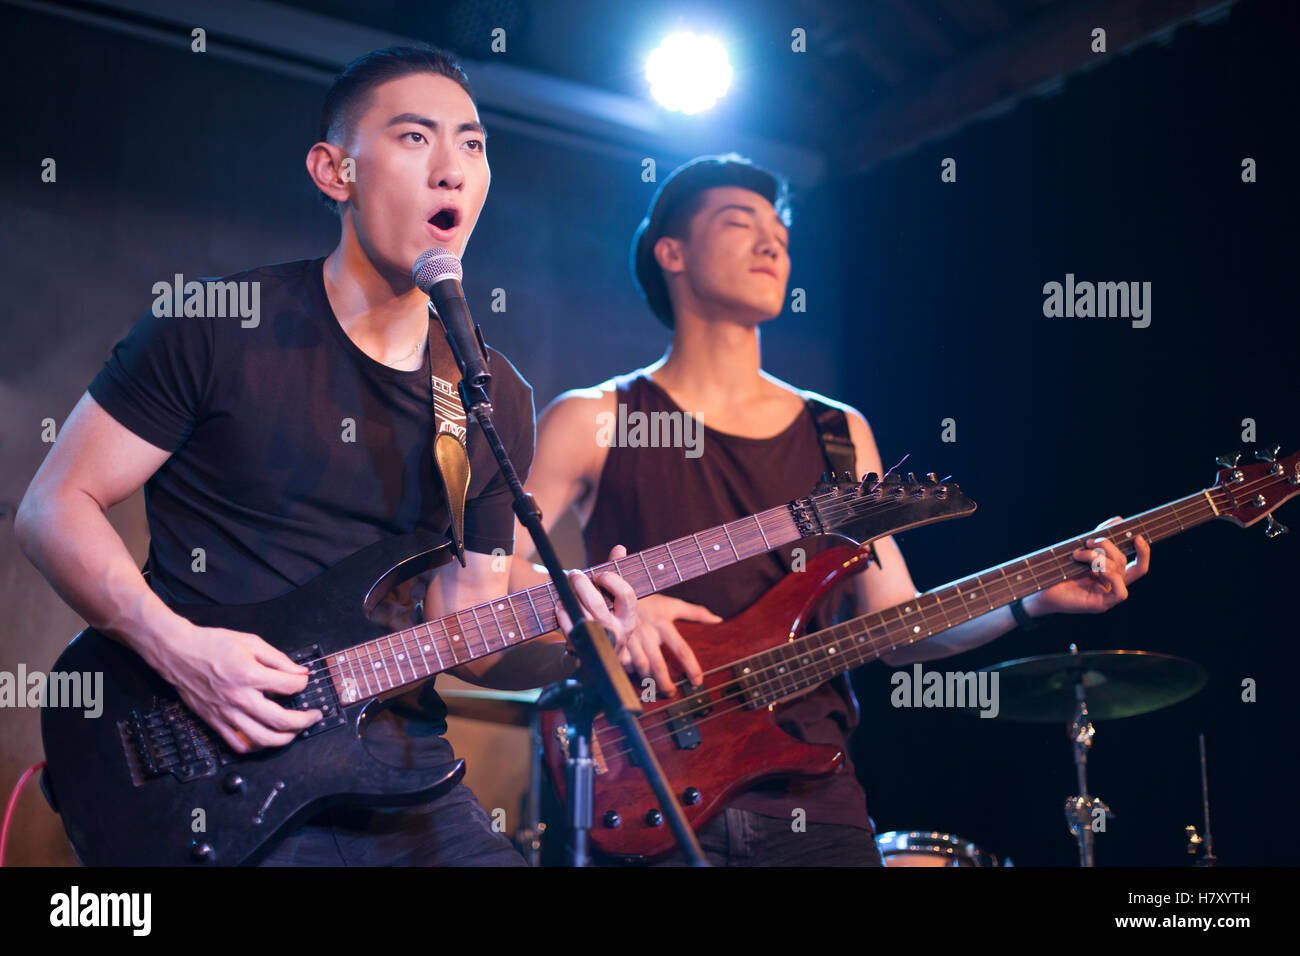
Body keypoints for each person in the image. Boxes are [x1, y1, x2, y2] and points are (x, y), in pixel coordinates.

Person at [14, 44, 636, 867]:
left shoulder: (488, 395)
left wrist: (569, 632)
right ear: (334, 171)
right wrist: (177, 648)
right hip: (212, 765)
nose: (453, 169)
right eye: (416, 137)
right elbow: (52, 507)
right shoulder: (219, 326)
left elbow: (469, 634)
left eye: (474, 144)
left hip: (402, 776)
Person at [508, 154, 1152, 866]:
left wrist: (1030, 599)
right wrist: (611, 608)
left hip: (813, 802)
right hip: (648, 785)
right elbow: (493, 571)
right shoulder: (597, 417)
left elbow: (896, 625)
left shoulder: (839, 434)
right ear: (672, 253)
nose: (772, 240)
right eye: (738, 221)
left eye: (779, 228)